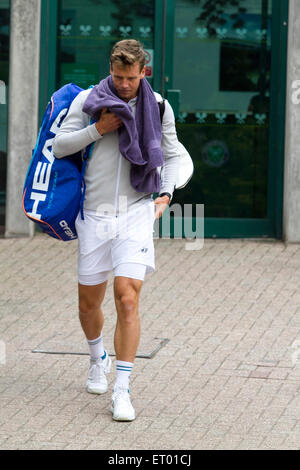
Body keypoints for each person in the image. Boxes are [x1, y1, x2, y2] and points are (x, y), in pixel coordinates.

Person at [53, 39, 181, 421]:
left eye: (130, 77)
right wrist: (98, 128)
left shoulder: (158, 106)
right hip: (94, 215)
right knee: (88, 304)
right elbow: (59, 146)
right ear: (110, 70)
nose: (123, 85)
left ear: (144, 71)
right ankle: (97, 358)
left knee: (127, 298)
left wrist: (166, 193)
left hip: (137, 212)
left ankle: (122, 390)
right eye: (117, 76)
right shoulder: (90, 101)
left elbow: (173, 154)